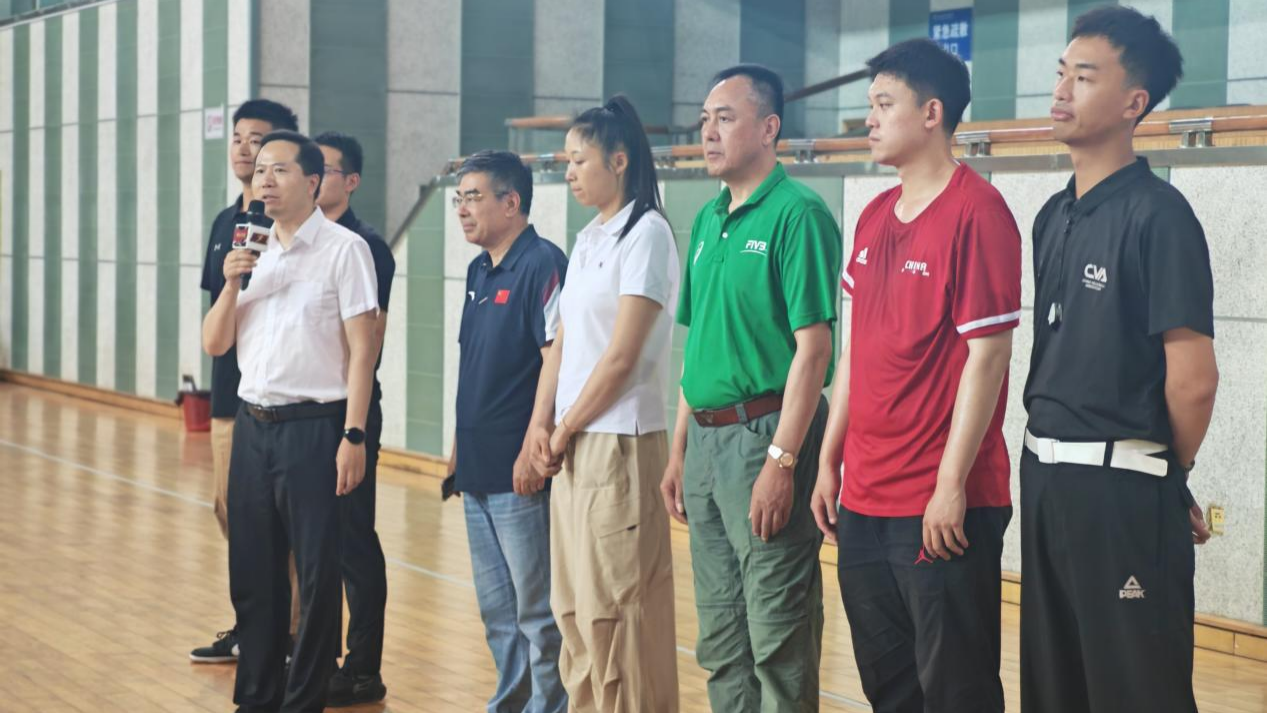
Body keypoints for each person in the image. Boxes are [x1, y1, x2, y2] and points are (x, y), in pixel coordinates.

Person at [811, 39, 1020, 713]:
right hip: (863, 500)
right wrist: (829, 459)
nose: (869, 119)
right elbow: (856, 353)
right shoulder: (873, 216)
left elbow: (988, 358)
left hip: (939, 505)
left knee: (957, 691)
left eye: (883, 103)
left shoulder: (978, 212)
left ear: (932, 113)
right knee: (891, 689)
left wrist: (950, 485)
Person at [1021, 7, 1217, 712]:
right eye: (1060, 73)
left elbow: (1193, 382)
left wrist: (1166, 473)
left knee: (1134, 691)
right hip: (1043, 479)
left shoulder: (1160, 215)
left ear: (1134, 103)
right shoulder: (1052, 215)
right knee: (1054, 688)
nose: (1061, 90)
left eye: (1083, 77)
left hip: (1122, 491)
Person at [659, 64, 841, 712]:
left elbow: (814, 351)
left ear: (769, 128)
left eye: (725, 118)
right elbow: (698, 345)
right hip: (705, 446)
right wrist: (679, 448)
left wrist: (782, 461)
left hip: (765, 437)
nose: (708, 132)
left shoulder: (799, 214)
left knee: (776, 638)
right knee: (722, 641)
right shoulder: (708, 219)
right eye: (704, 120)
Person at [202, 130, 380, 713]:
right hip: (254, 428)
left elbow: (363, 351)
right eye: (259, 170)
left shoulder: (344, 250)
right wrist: (232, 282)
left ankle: (303, 701)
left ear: (313, 181)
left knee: (318, 574)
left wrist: (354, 434)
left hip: (316, 428)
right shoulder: (250, 250)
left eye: (279, 169)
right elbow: (215, 343)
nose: (265, 180)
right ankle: (255, 698)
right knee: (253, 573)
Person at [524, 95, 680, 712]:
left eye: (579, 159)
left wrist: (562, 430)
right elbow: (561, 346)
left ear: (619, 161)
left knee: (620, 612)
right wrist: (541, 426)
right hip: (573, 443)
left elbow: (621, 359)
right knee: (575, 610)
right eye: (566, 160)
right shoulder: (588, 238)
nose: (568, 172)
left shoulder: (647, 234)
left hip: (618, 443)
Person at [450, 150, 569, 713]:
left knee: (536, 612)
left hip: (520, 472)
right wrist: (457, 449)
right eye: (459, 199)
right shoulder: (479, 270)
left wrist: (532, 445)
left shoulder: (543, 263)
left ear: (511, 202)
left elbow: (556, 361)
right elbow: (473, 363)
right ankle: (511, 703)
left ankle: (549, 706)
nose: (462, 209)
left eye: (473, 197)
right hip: (476, 467)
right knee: (498, 613)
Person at [192, 98, 301, 665]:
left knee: (281, 523)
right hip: (229, 391)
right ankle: (254, 625)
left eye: (256, 140)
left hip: (282, 399)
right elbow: (219, 308)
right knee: (232, 512)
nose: (243, 148)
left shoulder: (292, 229)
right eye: (237, 137)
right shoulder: (223, 222)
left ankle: (290, 636)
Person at [312, 131, 395, 706]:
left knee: (352, 540)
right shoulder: (299, 241)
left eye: (326, 168)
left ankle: (363, 667)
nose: (315, 177)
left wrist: (353, 427)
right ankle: (314, 656)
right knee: (313, 541)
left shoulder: (366, 246)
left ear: (352, 181)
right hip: (301, 414)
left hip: (350, 410)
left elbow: (371, 340)